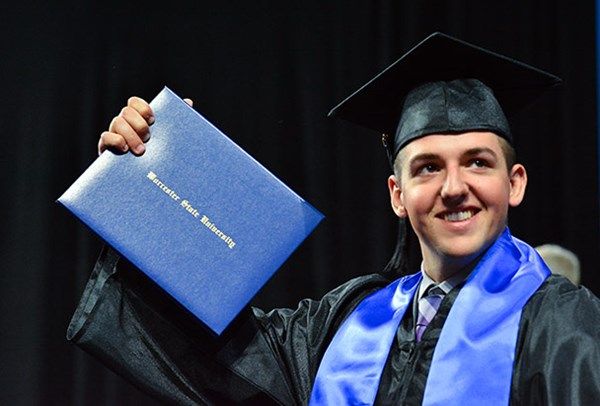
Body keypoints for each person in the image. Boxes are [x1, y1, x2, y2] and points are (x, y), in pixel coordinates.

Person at [68, 32, 600, 405]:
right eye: (428, 167)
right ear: (397, 194)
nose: (454, 187)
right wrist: (151, 185)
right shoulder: (347, 321)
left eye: (478, 163)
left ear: (515, 183)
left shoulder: (568, 330)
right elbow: (223, 364)